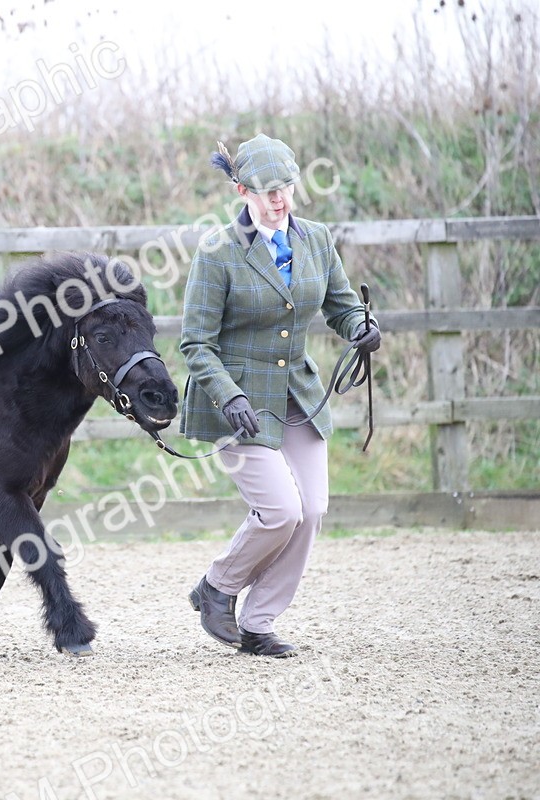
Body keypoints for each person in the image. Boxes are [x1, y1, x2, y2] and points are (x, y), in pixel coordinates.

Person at [180, 134, 381, 657]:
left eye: (286, 188)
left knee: (311, 509)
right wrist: (229, 396)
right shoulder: (217, 252)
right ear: (242, 190)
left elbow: (340, 306)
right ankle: (218, 585)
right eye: (267, 192)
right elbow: (195, 343)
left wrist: (361, 326)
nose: (279, 201)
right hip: (238, 408)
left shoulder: (315, 239)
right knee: (280, 511)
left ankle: (259, 621)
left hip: (298, 396)